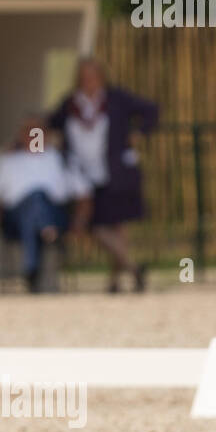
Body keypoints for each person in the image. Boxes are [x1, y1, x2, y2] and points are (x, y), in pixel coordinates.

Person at [48, 57, 158, 293]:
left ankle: (115, 281)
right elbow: (47, 124)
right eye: (84, 77)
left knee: (118, 225)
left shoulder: (116, 99)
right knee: (93, 224)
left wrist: (139, 133)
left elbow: (151, 110)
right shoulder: (70, 104)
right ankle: (133, 267)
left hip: (114, 172)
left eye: (93, 76)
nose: (89, 82)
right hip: (82, 176)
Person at [0, 114, 92, 292]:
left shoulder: (61, 159)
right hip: (17, 218)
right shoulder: (8, 161)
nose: (33, 135)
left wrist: (79, 223)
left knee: (38, 200)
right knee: (34, 201)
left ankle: (31, 268)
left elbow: (83, 195)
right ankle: (46, 230)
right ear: (21, 134)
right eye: (28, 130)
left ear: (46, 133)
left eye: (38, 130)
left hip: (56, 214)